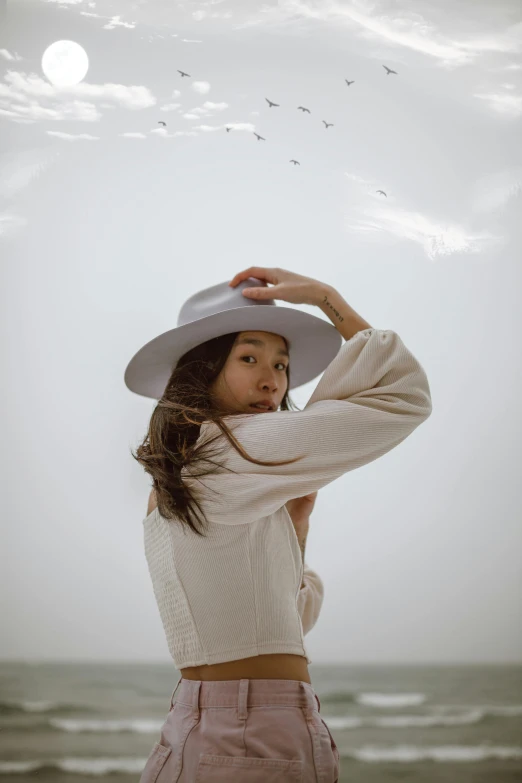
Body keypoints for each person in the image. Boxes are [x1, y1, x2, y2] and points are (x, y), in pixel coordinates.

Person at [124, 267, 432, 782]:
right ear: (202, 370)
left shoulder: (176, 480)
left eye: (282, 364)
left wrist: (297, 530)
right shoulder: (231, 450)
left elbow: (289, 621)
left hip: (196, 728)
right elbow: (403, 395)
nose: (273, 380)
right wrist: (325, 297)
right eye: (249, 358)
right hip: (256, 730)